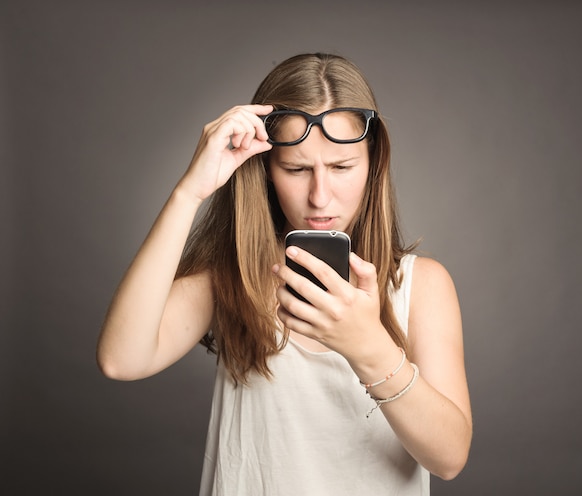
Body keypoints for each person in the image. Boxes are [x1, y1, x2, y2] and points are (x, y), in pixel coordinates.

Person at [97, 52, 472, 495]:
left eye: (341, 167)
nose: (320, 196)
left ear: (372, 166)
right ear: (267, 171)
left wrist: (368, 346)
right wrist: (188, 192)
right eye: (296, 169)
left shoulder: (420, 285)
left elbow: (449, 458)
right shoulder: (233, 276)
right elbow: (122, 359)